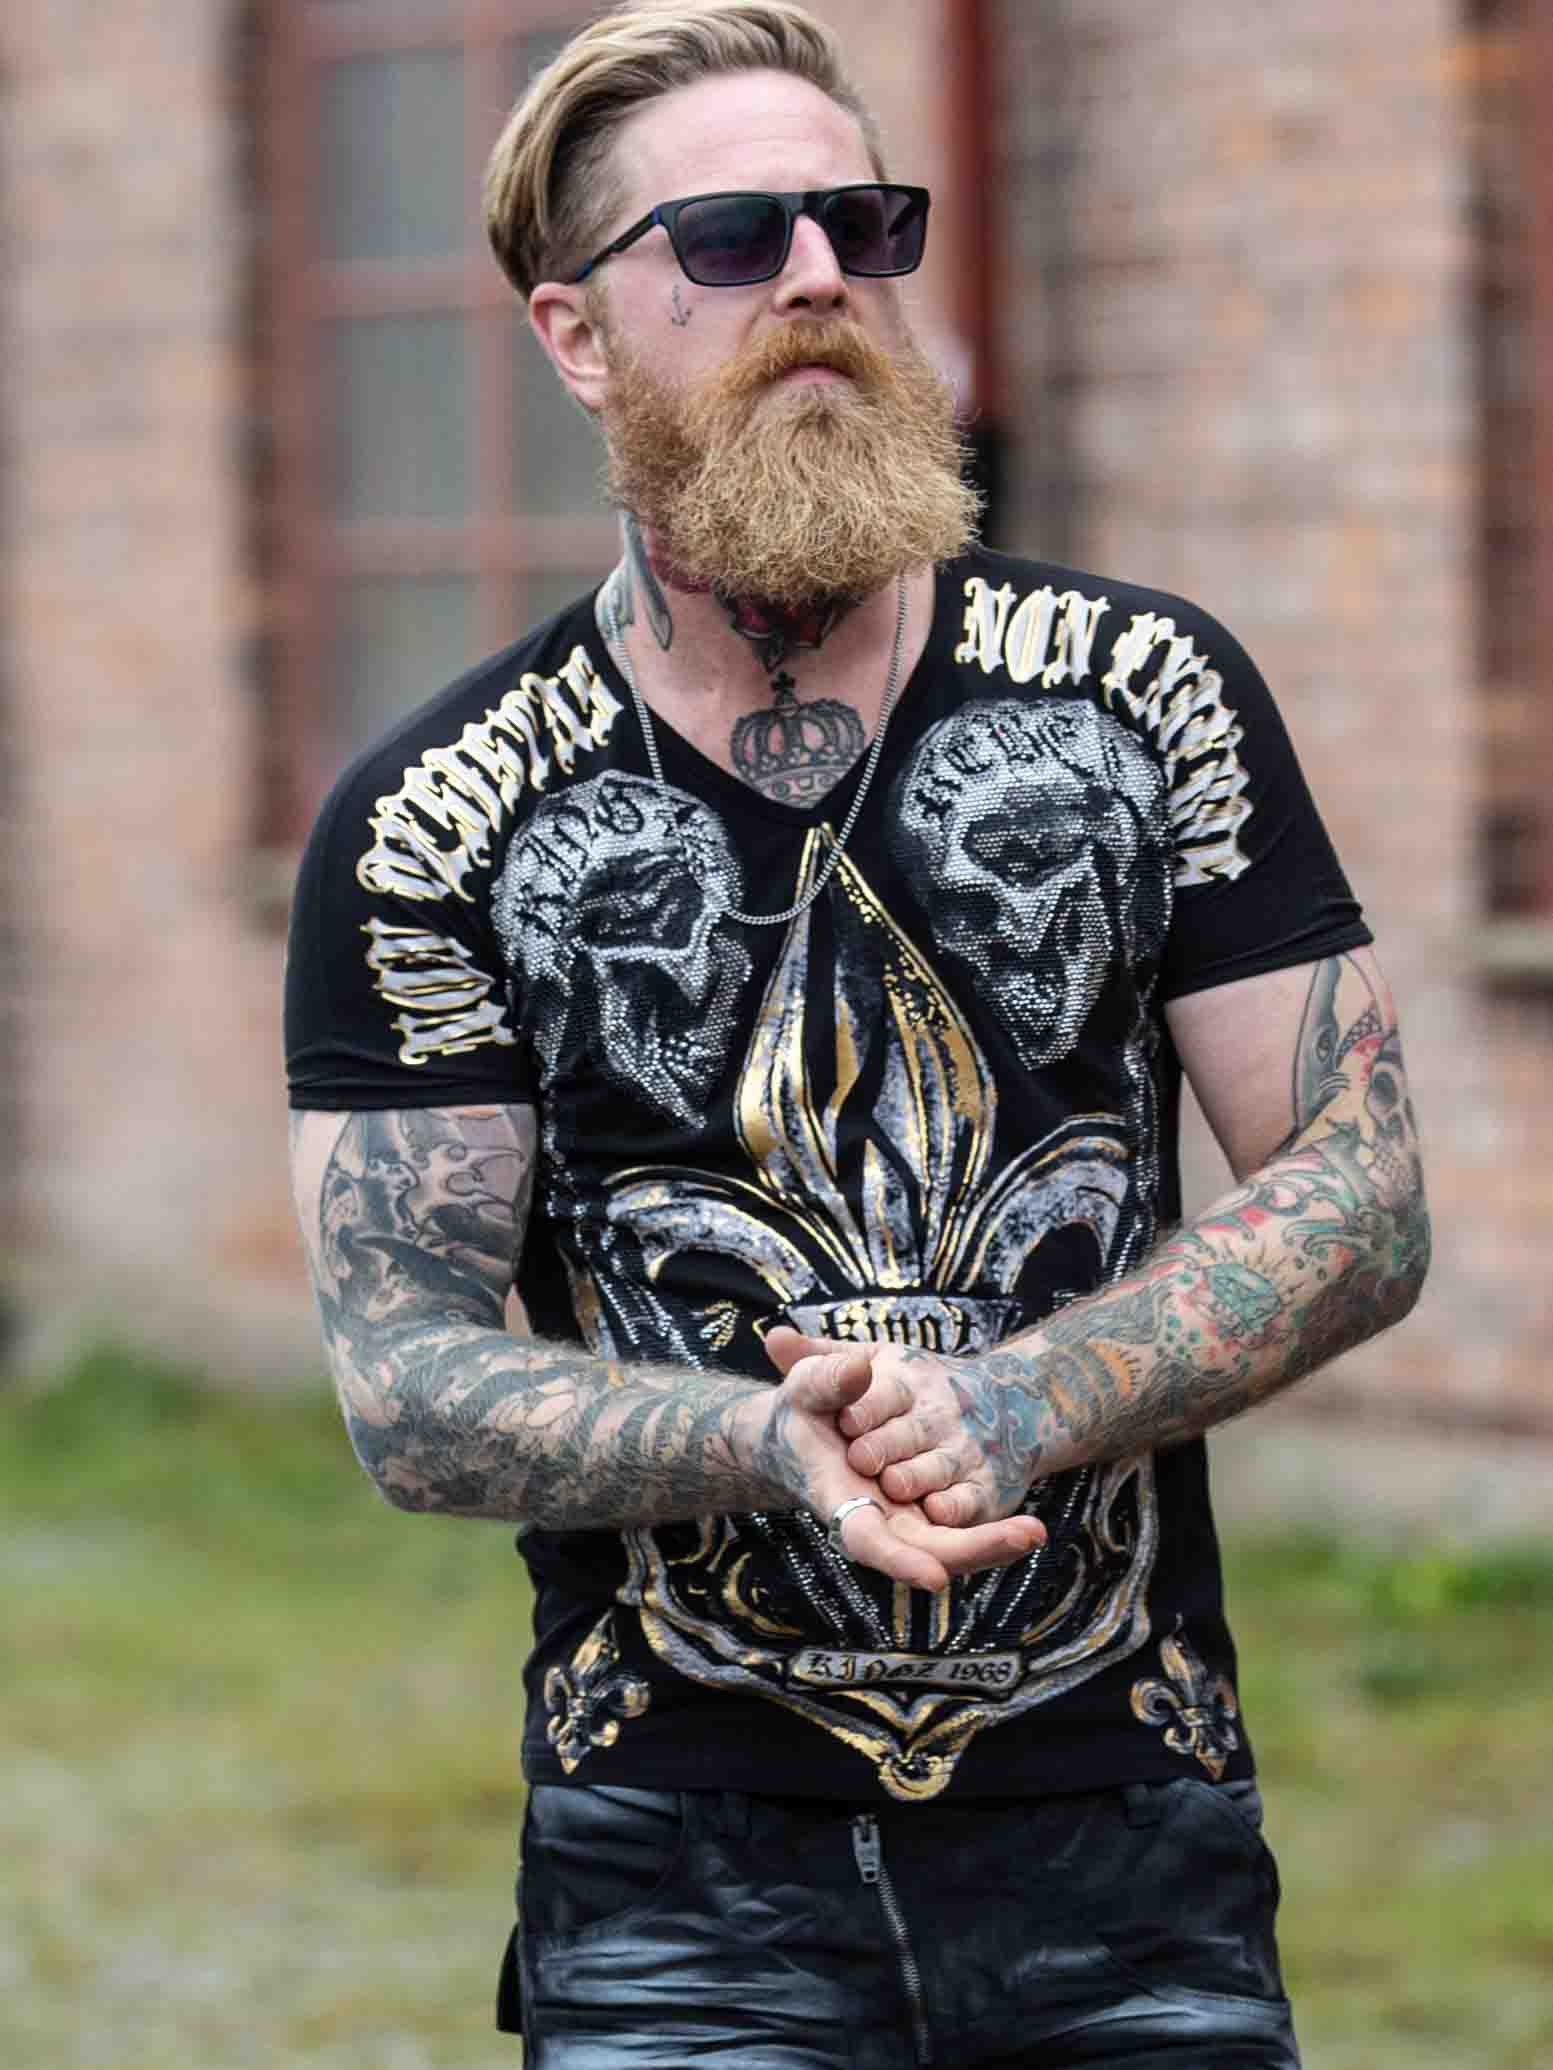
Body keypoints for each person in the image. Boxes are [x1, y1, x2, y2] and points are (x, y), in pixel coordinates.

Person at [284, 4, 1430, 2063]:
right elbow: (402, 1375)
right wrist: (765, 1442)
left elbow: (1359, 1184)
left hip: (1128, 1830)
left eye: (862, 224)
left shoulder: (1143, 699)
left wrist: (1021, 1397)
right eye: (732, 238)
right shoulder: (435, 817)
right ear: (574, 335)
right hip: (676, 1878)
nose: (817, 276)